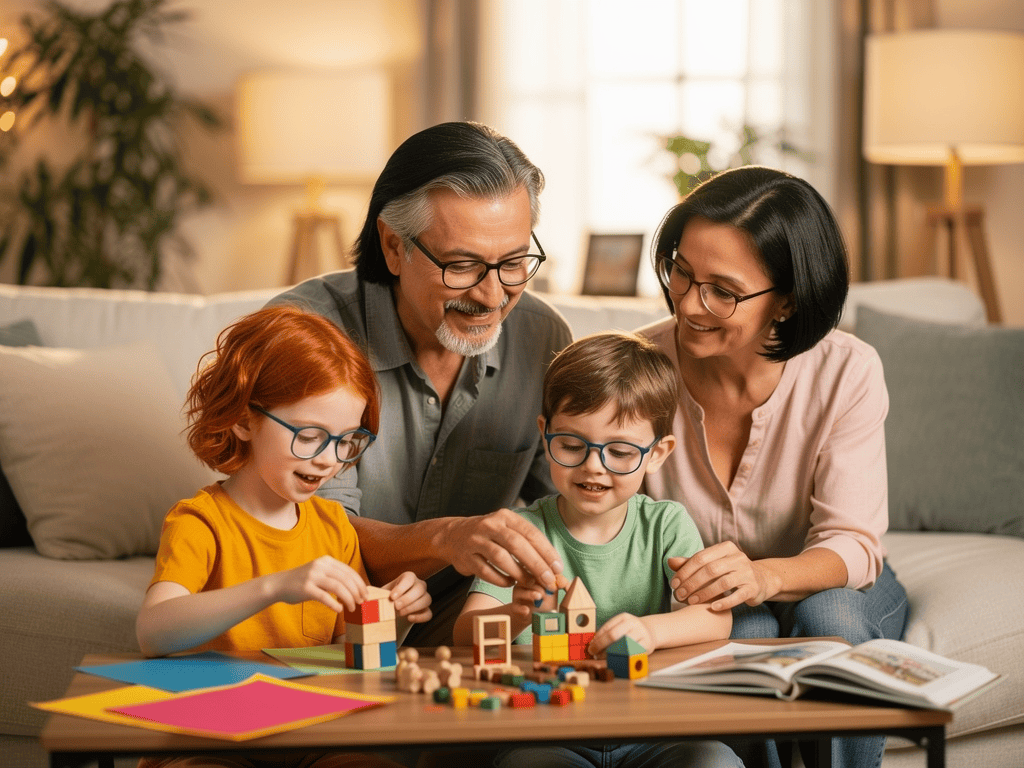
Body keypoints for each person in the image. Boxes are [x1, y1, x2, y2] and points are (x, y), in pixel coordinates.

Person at [640, 165, 908, 768]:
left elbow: (854, 545)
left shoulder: (847, 371)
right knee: (747, 630)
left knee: (829, 614)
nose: (688, 303)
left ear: (787, 301)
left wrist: (765, 577)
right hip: (718, 600)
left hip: (831, 578)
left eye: (722, 291)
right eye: (681, 271)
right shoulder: (639, 368)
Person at [269, 121, 573, 646]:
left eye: (516, 263)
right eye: (462, 265)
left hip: (472, 614)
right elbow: (312, 531)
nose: (493, 297)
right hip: (332, 612)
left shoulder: (542, 337)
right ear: (393, 246)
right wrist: (450, 537)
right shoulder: (305, 334)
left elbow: (569, 506)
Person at [135, 305, 432, 768]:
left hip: (312, 736)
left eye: (346, 440)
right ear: (243, 419)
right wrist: (276, 587)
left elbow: (348, 655)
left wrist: (395, 618)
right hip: (211, 738)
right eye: (310, 435)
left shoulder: (333, 526)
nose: (329, 460)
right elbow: (153, 633)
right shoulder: (201, 521)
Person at [454, 332, 740, 768]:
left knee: (714, 761)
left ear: (657, 454)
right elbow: (465, 633)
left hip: (653, 729)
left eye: (621, 452)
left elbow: (716, 618)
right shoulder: (522, 532)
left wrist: (653, 631)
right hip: (547, 727)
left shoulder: (666, 525)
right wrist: (515, 614)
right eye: (571, 445)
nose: (593, 466)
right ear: (544, 434)